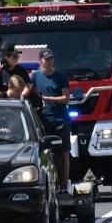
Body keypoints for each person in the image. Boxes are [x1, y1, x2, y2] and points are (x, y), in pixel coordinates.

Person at [30, 48, 70, 189]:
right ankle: (48, 183)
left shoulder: (60, 77)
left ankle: (64, 184)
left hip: (60, 120)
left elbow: (66, 98)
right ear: (40, 60)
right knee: (46, 153)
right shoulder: (35, 76)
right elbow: (28, 91)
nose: (49, 61)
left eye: (51, 58)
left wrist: (47, 98)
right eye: (46, 59)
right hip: (44, 121)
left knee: (63, 152)